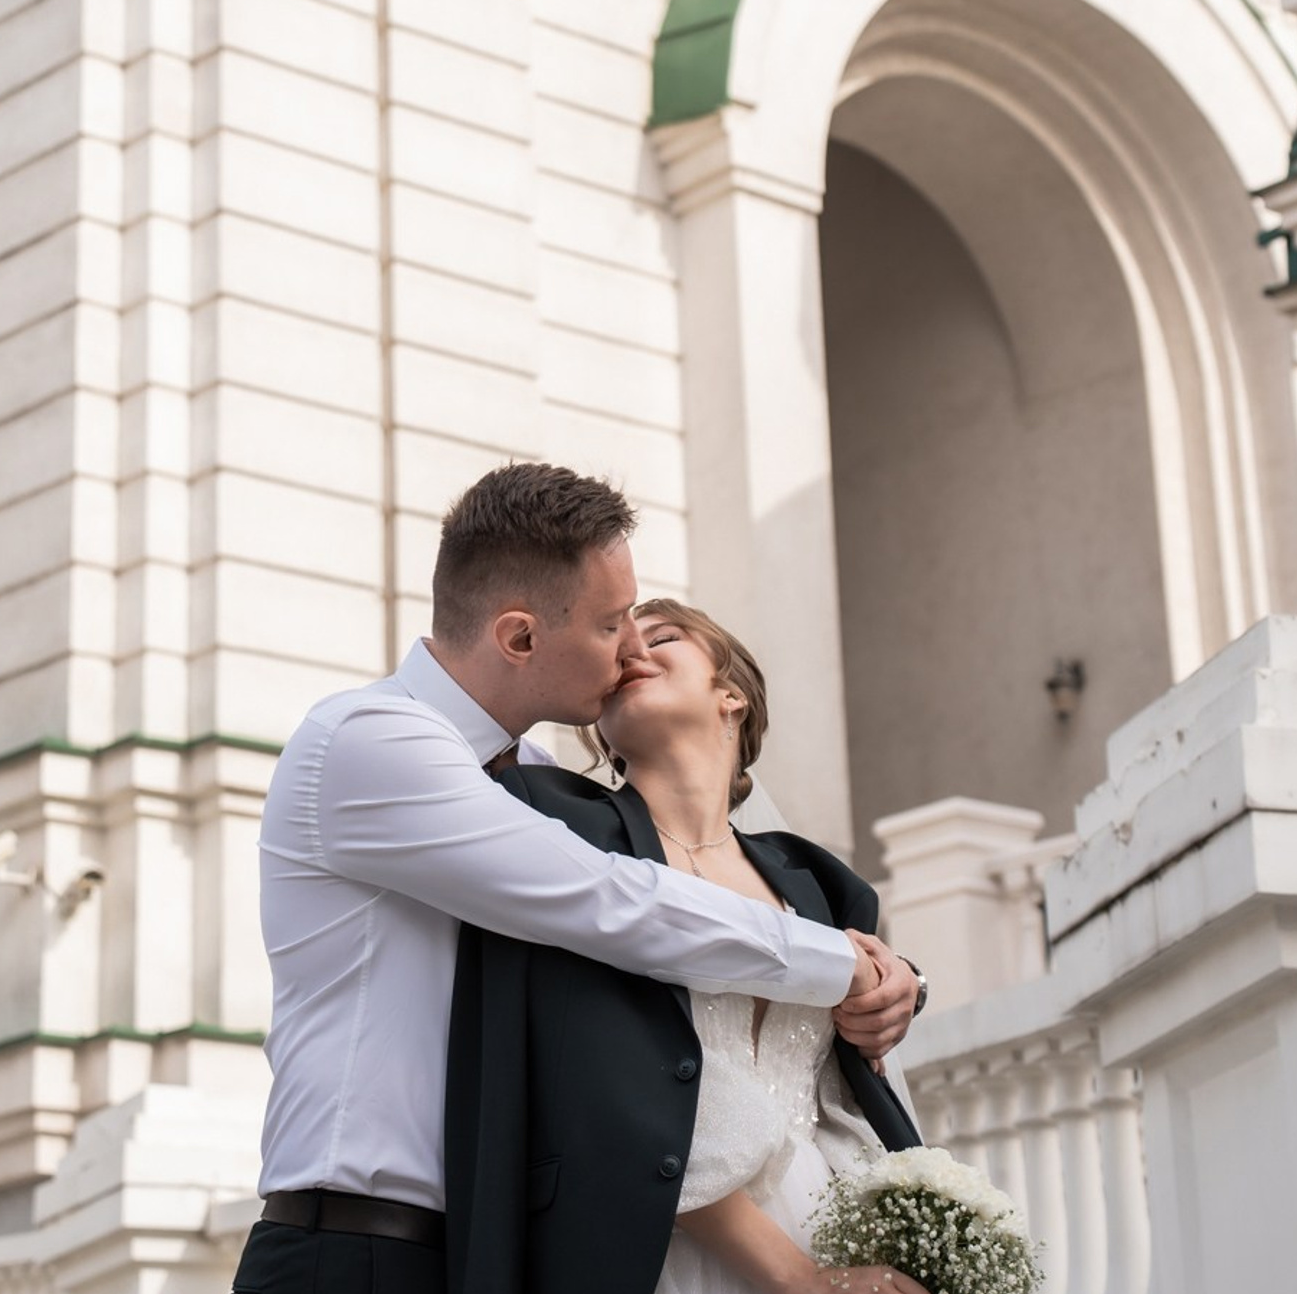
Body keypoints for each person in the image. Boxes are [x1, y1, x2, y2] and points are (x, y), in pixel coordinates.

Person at [236, 465, 922, 1294]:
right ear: (521, 637)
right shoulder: (373, 743)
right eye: (612, 623)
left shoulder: (536, 780)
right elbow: (612, 901)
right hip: (354, 1247)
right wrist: (836, 965)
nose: (632, 645)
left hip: (495, 1252)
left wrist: (892, 982)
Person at [445, 599, 931, 1294]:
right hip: (661, 1244)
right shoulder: (558, 828)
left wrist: (901, 988)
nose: (632, 651)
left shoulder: (816, 882)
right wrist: (796, 1278)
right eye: (616, 647)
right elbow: (603, 1076)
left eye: (663, 637)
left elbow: (848, 1084)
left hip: (836, 1229)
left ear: (730, 694)